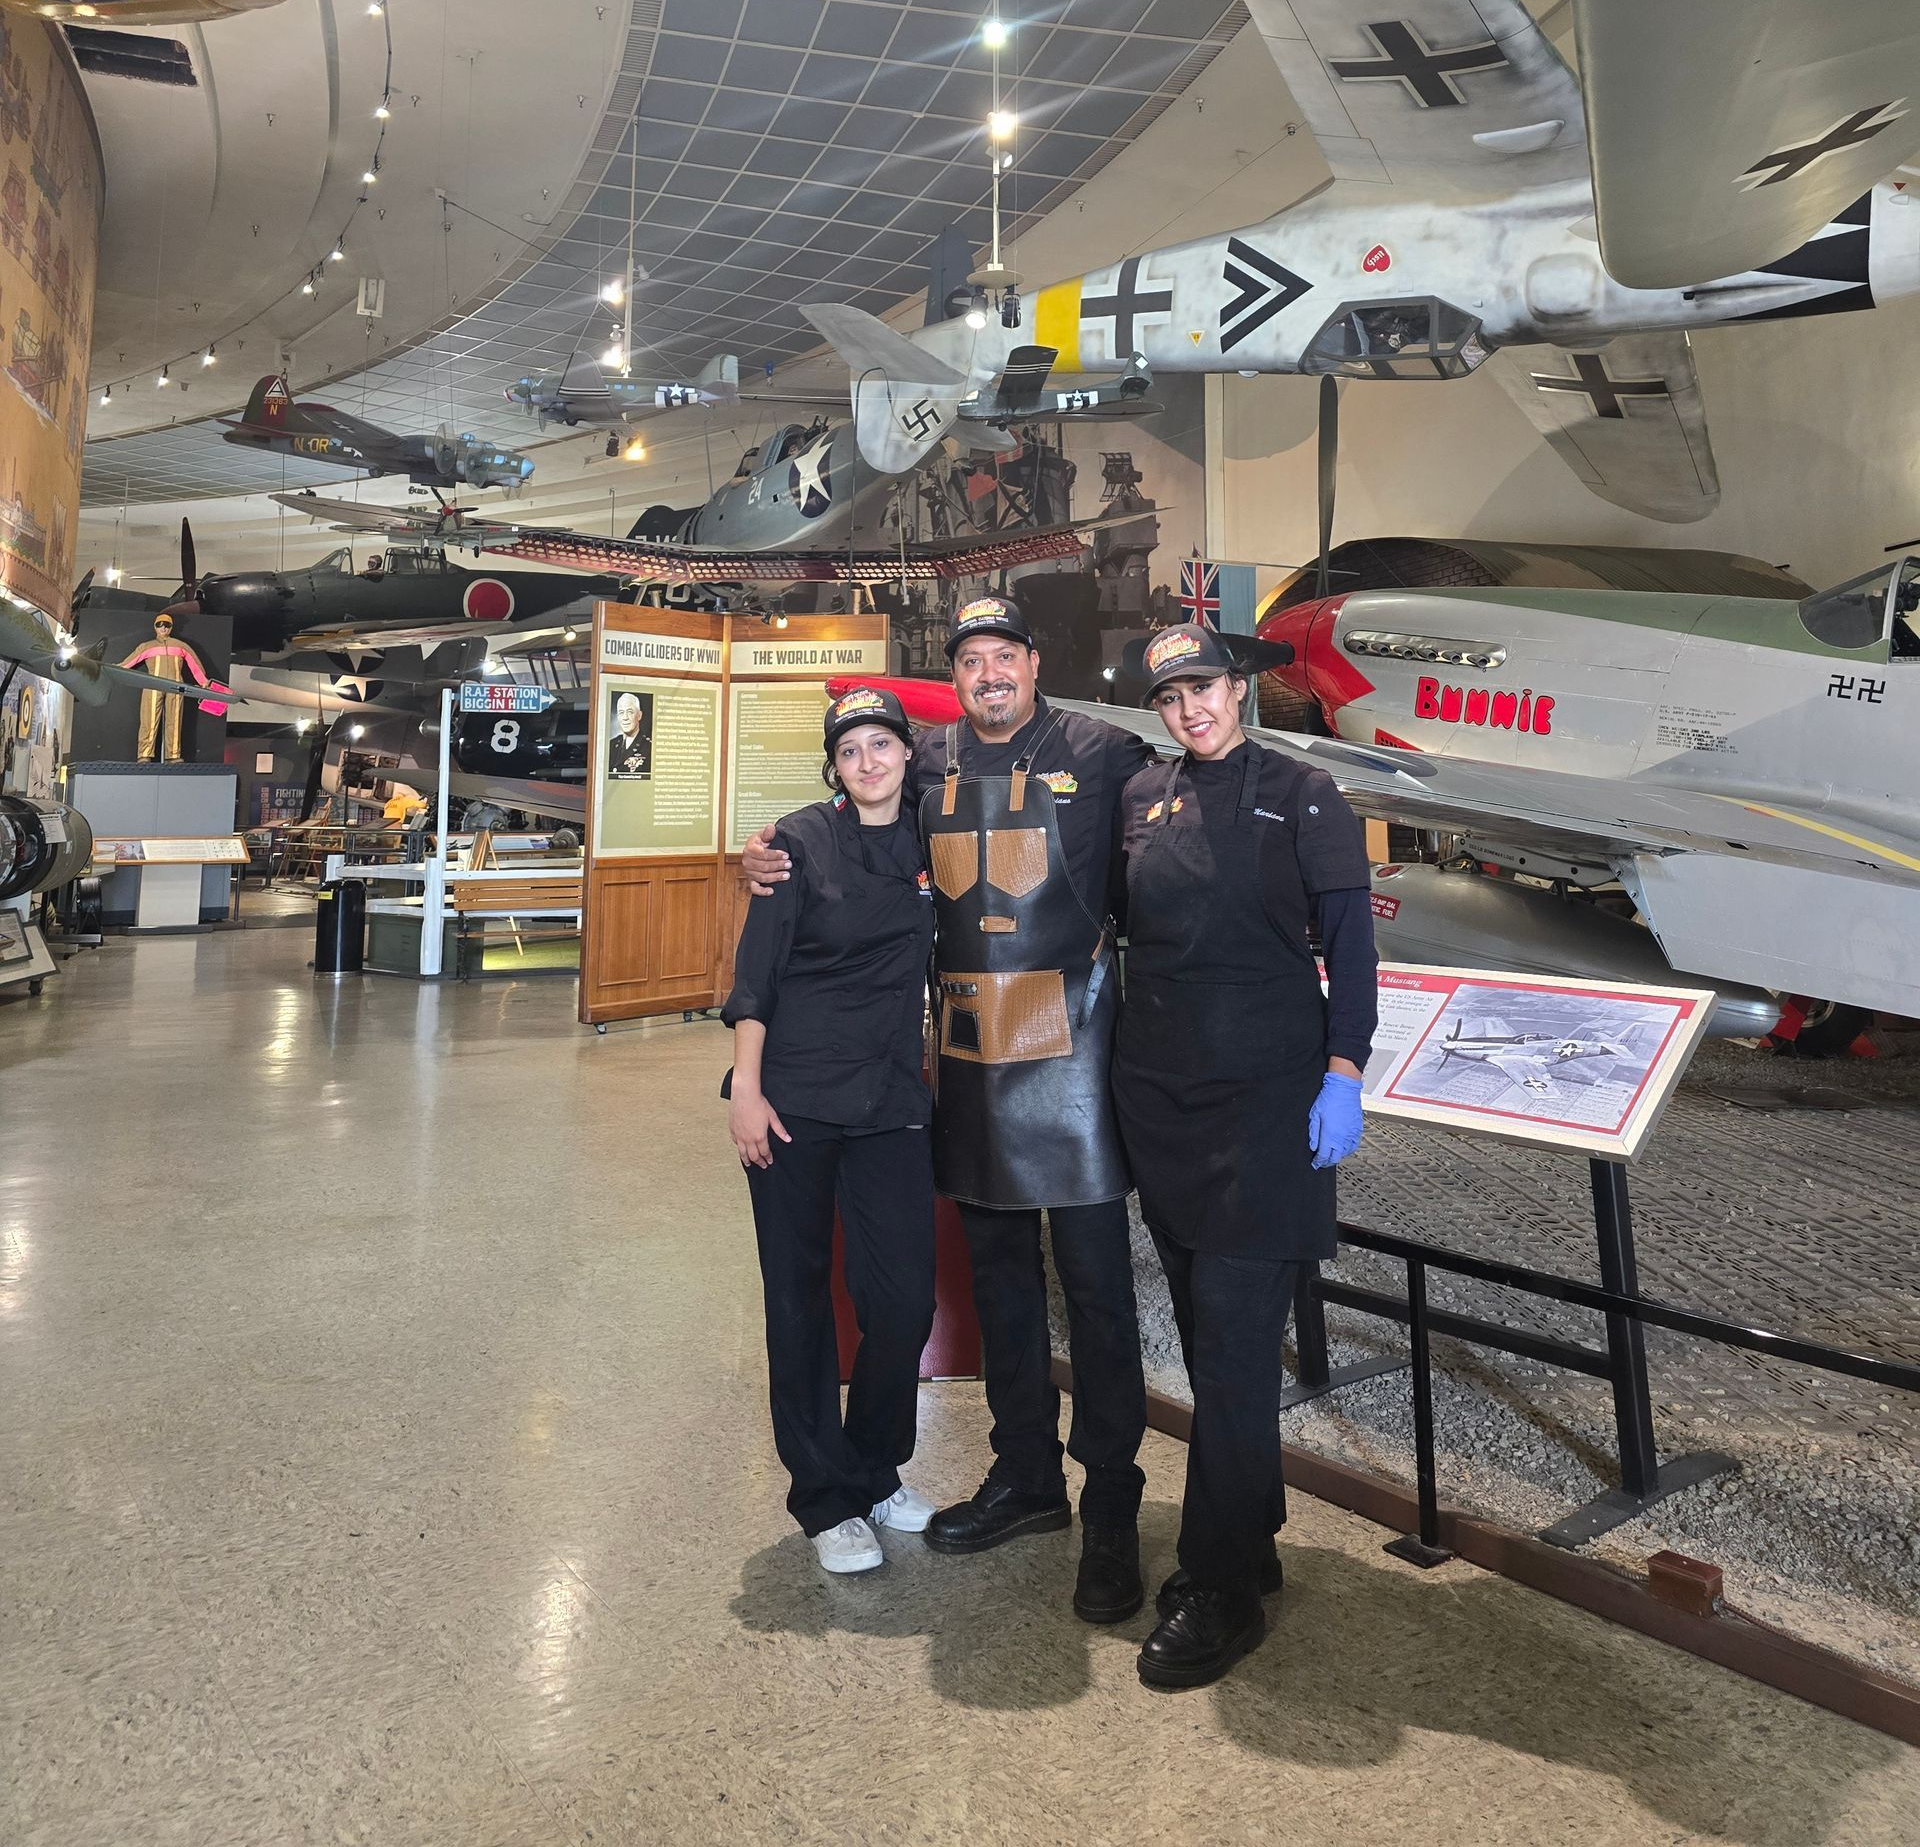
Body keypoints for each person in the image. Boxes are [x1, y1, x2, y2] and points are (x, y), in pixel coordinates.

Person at [743, 595, 1156, 1624]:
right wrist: (758, 858)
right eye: (967, 661)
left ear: (1032, 658)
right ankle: (1026, 1475)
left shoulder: (1105, 750)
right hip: (970, 1056)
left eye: (1002, 655)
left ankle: (1112, 1502)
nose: (986, 676)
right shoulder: (924, 755)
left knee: (1099, 1291)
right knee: (1005, 1283)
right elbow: (845, 805)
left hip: (1075, 1053)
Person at [1113, 622, 1378, 1690]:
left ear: (1239, 690)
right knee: (1200, 1327)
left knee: (1229, 1345)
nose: (1190, 711)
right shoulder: (1142, 797)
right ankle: (1253, 1533)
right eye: (1172, 698)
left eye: (1205, 690)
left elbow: (1352, 942)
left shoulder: (1307, 794)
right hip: (1161, 1095)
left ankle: (1217, 1582)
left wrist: (1346, 1071)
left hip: (1268, 1104)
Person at [722, 686, 939, 1576]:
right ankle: (823, 1497)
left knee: (901, 1303)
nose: (869, 762)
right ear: (835, 767)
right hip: (795, 1099)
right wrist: (746, 1087)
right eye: (851, 750)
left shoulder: (936, 840)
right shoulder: (797, 842)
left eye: (882, 744)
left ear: (906, 754)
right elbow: (758, 973)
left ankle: (875, 1469)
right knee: (799, 1297)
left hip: (892, 1097)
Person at [608, 692, 649, 778]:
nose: (625, 717)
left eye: (630, 712)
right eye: (621, 712)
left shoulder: (649, 747)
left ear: (639, 715)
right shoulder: (610, 744)